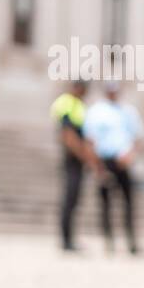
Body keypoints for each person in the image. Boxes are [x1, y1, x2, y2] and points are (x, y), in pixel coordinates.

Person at [84, 78, 143, 255]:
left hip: (123, 161)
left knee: (128, 203)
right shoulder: (96, 111)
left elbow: (138, 138)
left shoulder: (128, 111)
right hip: (105, 161)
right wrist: (96, 166)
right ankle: (108, 242)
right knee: (105, 204)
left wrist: (130, 155)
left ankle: (131, 242)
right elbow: (89, 140)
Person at [49, 77, 100, 252]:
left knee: (74, 198)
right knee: (69, 198)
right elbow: (68, 135)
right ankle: (66, 240)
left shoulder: (80, 106)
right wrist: (85, 156)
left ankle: (70, 237)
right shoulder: (67, 103)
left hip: (78, 159)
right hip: (72, 159)